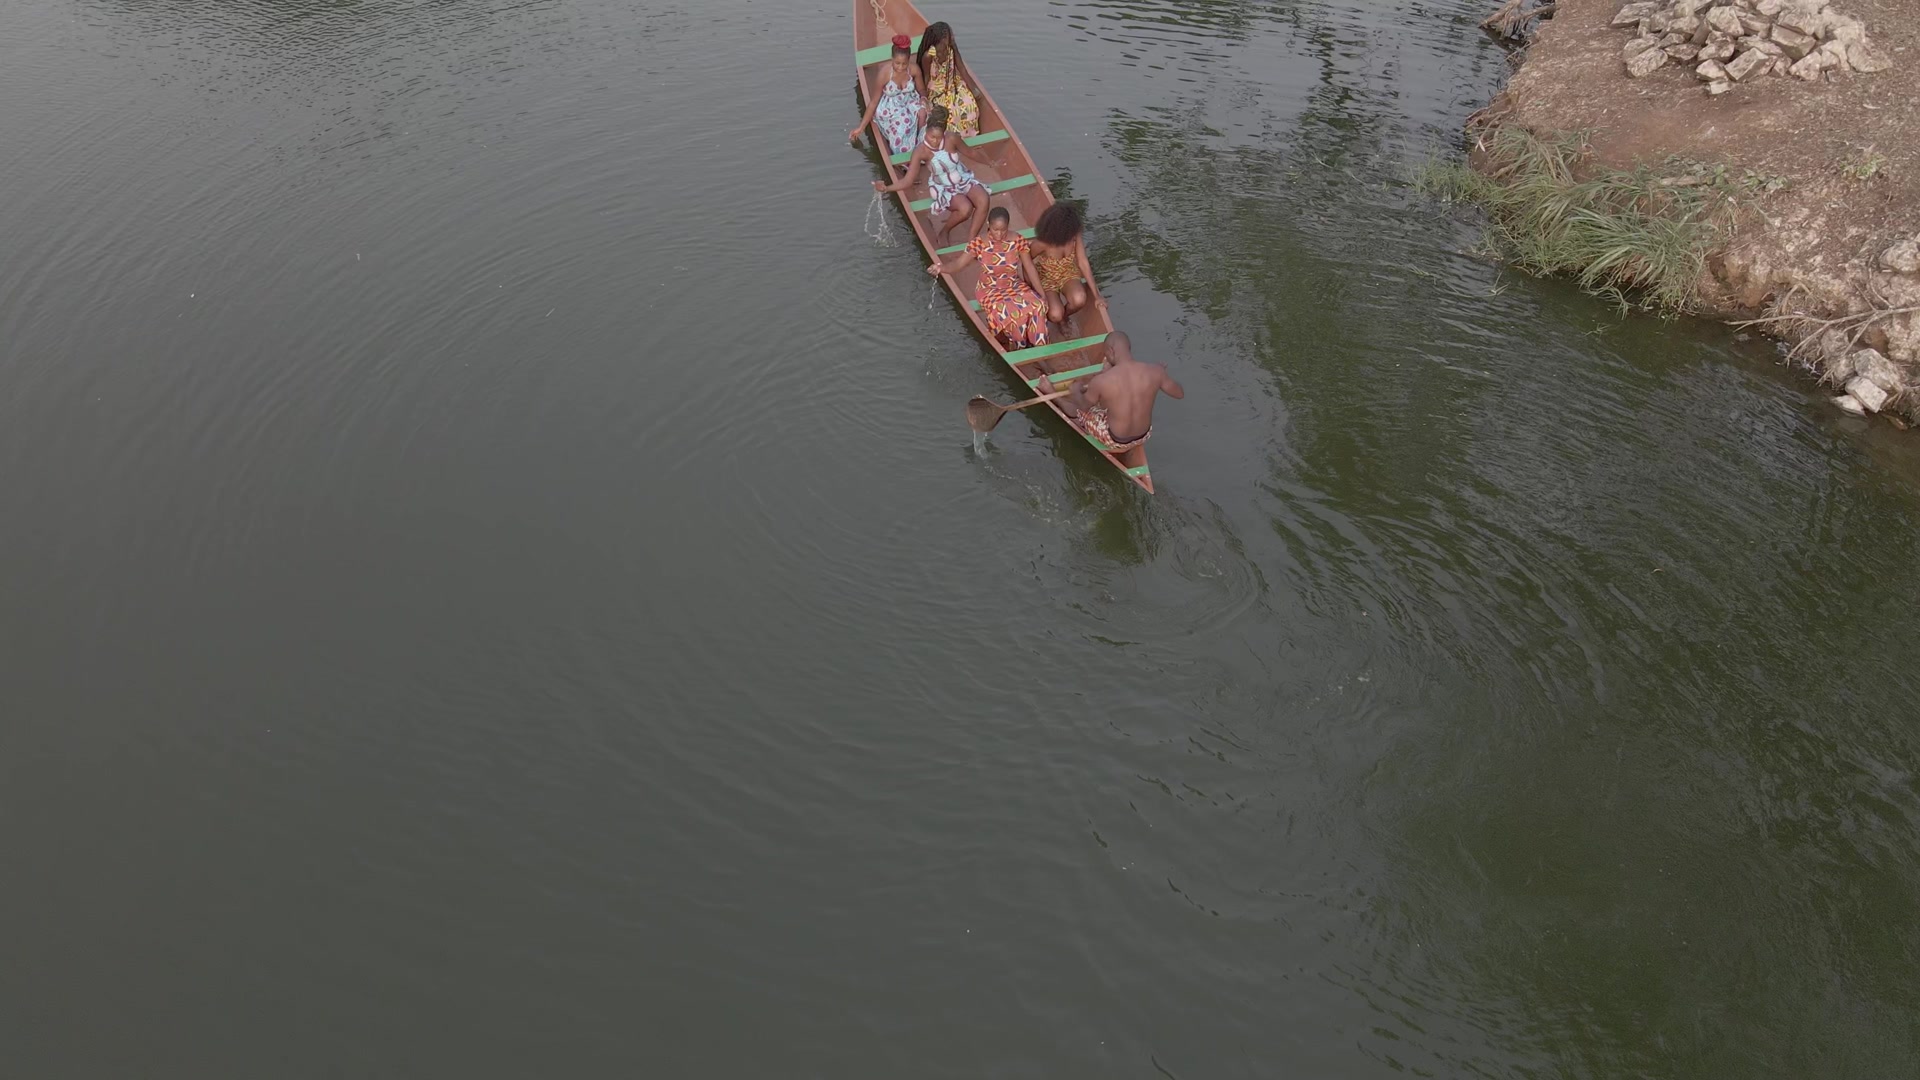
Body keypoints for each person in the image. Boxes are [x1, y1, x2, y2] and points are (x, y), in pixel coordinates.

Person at [1036, 331, 1182, 459]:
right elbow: (1179, 394)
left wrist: (1075, 391)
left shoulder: (1102, 381)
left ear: (1111, 351)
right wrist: (1160, 374)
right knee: (1108, 398)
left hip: (1115, 439)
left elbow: (1082, 406)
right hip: (1144, 436)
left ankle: (1051, 392)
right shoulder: (1155, 371)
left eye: (1106, 355)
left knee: (1078, 411)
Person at [928, 206, 1049, 350]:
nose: (999, 234)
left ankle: (1037, 346)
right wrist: (941, 268)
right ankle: (1019, 345)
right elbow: (958, 264)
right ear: (988, 225)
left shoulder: (1018, 240)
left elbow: (1029, 267)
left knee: (1038, 305)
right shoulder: (979, 243)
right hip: (989, 288)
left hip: (1013, 284)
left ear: (1008, 226)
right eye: (995, 230)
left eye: (1003, 230)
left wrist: (1041, 294)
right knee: (1013, 312)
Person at [874, 105, 990, 245]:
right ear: (926, 131)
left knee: (983, 200)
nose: (934, 141)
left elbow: (971, 153)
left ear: (944, 133)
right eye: (931, 137)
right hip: (943, 186)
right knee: (966, 209)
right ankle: (944, 231)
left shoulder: (952, 138)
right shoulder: (921, 151)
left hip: (962, 178)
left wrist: (991, 163)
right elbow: (908, 180)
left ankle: (971, 241)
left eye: (938, 138)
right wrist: (887, 188)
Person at [849, 35, 928, 157]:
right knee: (903, 125)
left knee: (924, 113)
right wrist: (861, 127)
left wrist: (923, 98)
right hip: (891, 108)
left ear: (909, 60)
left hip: (909, 101)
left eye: (904, 64)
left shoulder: (914, 69)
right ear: (892, 59)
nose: (900, 67)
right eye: (897, 63)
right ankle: (905, 155)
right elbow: (873, 102)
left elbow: (921, 89)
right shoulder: (884, 74)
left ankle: (920, 144)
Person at [1030, 202, 1103, 332]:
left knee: (1079, 299)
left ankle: (1065, 316)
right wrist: (1033, 288)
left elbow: (1082, 261)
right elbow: (1026, 263)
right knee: (1055, 314)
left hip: (1068, 273)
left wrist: (1097, 296)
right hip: (1046, 278)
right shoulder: (1042, 243)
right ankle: (1060, 319)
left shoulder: (1074, 235)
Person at [916, 22, 980, 138]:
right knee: (949, 114)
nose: (953, 37)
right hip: (936, 89)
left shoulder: (952, 49)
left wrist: (974, 89)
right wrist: (925, 99)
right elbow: (926, 77)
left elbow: (962, 70)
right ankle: (952, 138)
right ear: (940, 40)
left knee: (969, 105)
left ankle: (969, 134)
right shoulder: (928, 56)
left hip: (953, 84)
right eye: (950, 36)